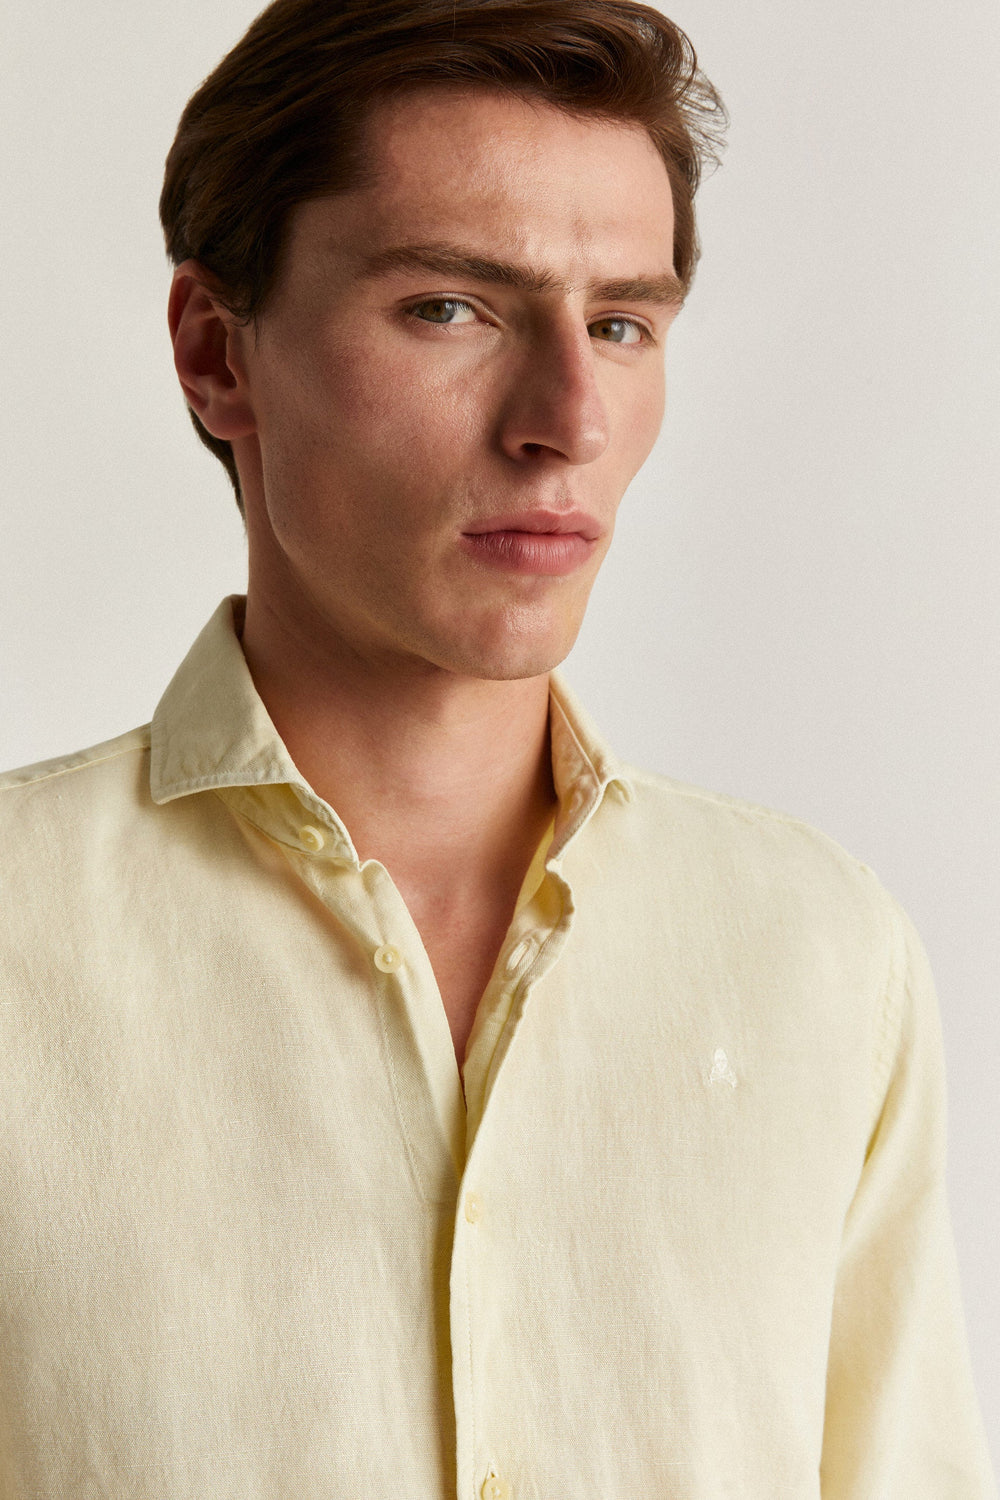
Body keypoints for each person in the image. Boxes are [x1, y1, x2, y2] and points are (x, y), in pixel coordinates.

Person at [0, 0, 994, 1493]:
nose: (567, 419)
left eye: (620, 324)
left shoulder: (817, 954)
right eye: (451, 309)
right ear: (217, 354)